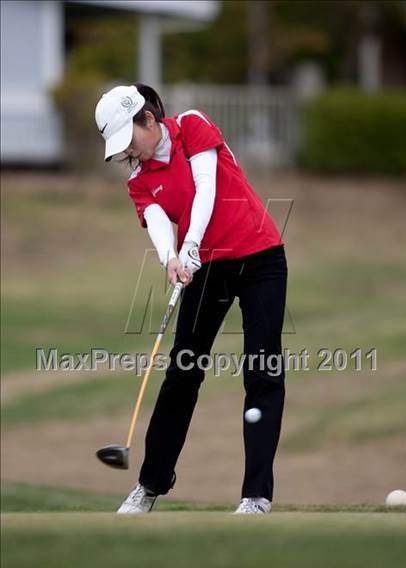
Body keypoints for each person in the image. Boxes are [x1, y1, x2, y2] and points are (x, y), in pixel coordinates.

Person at [95, 84, 288, 514]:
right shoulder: (139, 181)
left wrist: (192, 245)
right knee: (182, 373)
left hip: (260, 257)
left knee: (263, 370)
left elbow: (207, 187)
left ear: (149, 118)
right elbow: (159, 222)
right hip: (206, 269)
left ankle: (256, 496)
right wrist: (170, 260)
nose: (131, 154)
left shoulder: (192, 126)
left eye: (130, 142)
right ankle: (148, 486)